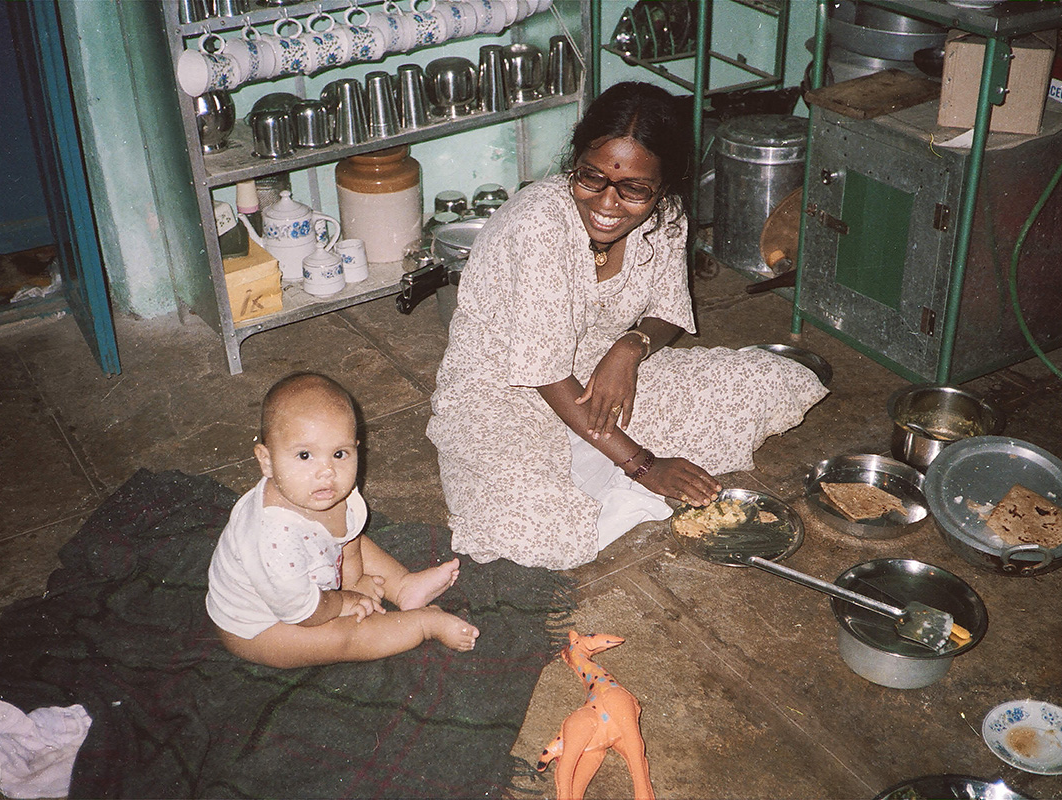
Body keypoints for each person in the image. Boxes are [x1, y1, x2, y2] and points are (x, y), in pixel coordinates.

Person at [426, 82, 828, 571]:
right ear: (574, 162)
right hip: (504, 389)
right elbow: (544, 371)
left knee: (773, 381)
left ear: (663, 186)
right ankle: (590, 471)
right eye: (591, 178)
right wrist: (644, 465)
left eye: (635, 189)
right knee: (538, 536)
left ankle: (587, 461)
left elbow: (666, 311)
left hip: (604, 380)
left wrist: (629, 348)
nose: (609, 204)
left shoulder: (669, 216)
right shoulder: (537, 225)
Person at [207, 372, 480, 668]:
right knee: (343, 638)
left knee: (358, 540)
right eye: (304, 455)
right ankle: (424, 624)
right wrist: (344, 602)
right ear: (267, 460)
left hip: (314, 581)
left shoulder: (329, 490)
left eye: (339, 453)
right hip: (264, 625)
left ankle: (403, 586)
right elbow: (304, 612)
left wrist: (354, 582)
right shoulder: (273, 537)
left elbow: (348, 539)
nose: (327, 471)